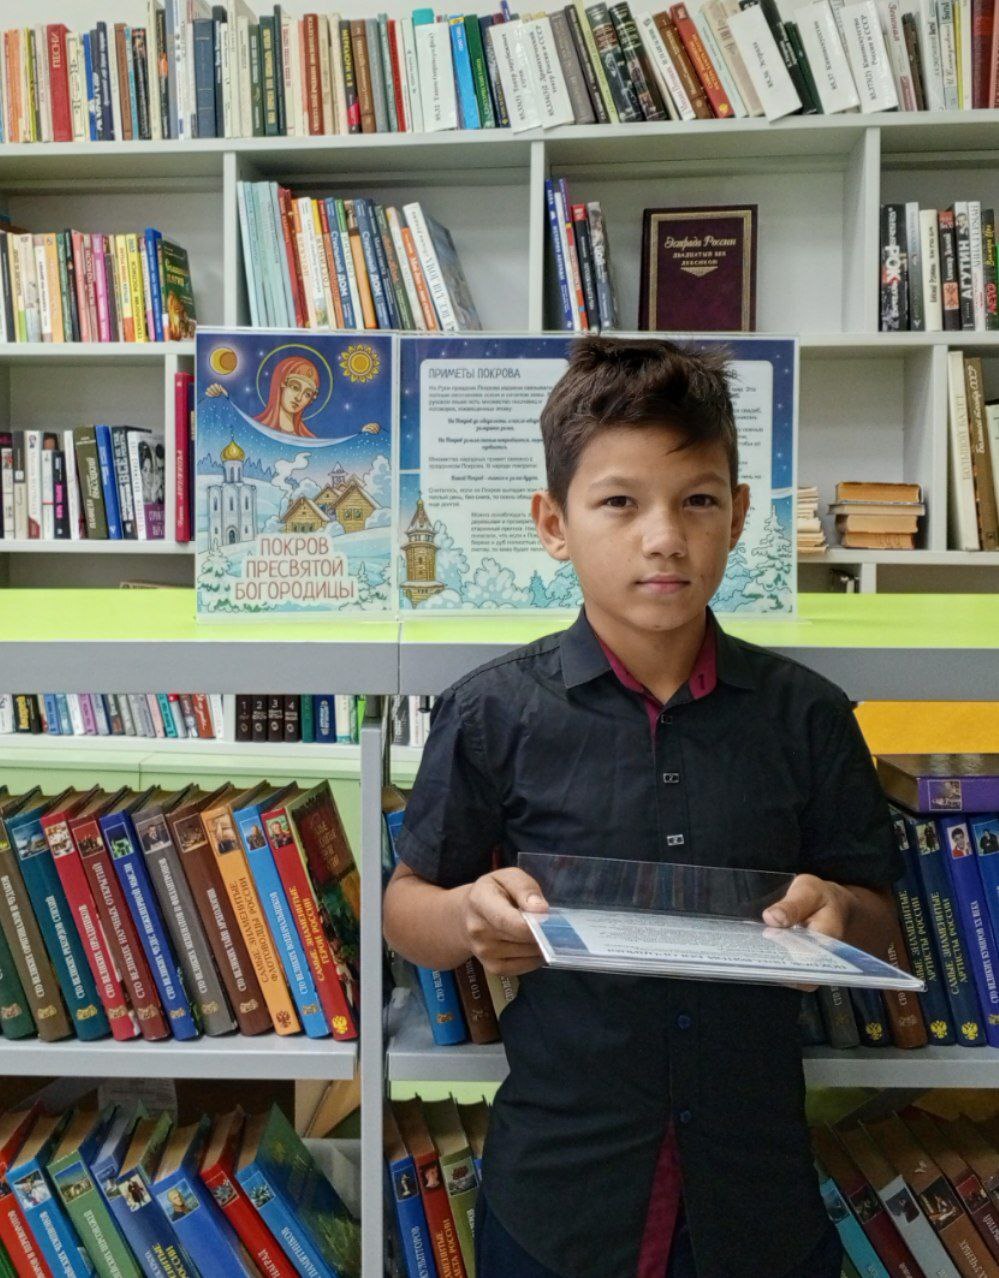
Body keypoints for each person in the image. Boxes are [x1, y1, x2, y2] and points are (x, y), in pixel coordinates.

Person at [382, 336, 903, 1278]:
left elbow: (875, 912)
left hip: (755, 1197)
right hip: (560, 1198)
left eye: (697, 500)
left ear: (738, 516)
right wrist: (465, 916)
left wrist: (835, 912)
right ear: (553, 523)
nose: (663, 537)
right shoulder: (492, 712)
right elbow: (404, 907)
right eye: (619, 502)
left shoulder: (807, 715)